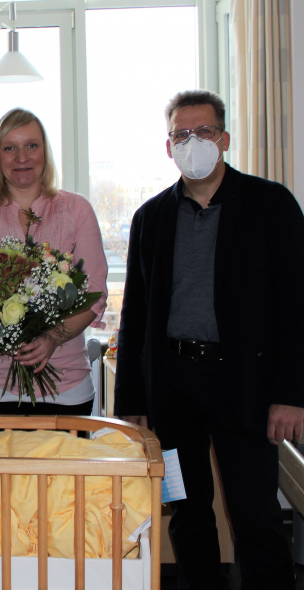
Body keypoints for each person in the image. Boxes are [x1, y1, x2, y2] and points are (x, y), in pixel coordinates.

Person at [114, 89, 304, 590]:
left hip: (245, 383)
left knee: (255, 515)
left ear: (223, 138)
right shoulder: (151, 218)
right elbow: (136, 316)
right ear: (168, 146)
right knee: (186, 510)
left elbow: (296, 306)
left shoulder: (271, 205)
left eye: (203, 131)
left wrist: (291, 394)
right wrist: (132, 402)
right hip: (172, 388)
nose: (192, 142)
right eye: (181, 134)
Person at [0, 108, 108, 415]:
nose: (21, 157)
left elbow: (95, 292)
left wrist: (52, 338)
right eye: (9, 148)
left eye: (31, 145)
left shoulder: (77, 210)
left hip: (65, 384)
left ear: (45, 151)